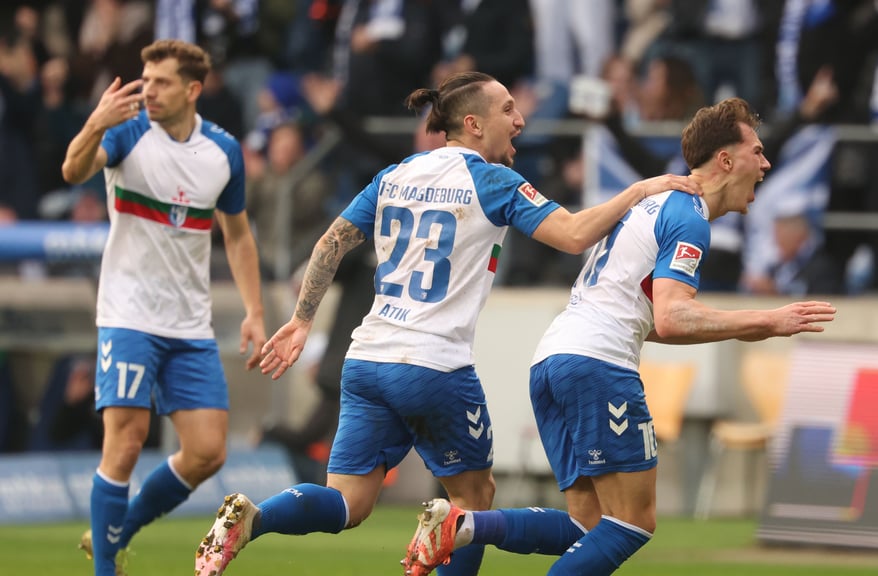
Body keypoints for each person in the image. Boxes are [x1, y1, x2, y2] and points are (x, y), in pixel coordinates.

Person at [193, 70, 700, 576]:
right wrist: (639, 190)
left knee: (347, 502)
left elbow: (330, 242)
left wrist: (303, 320)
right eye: (507, 110)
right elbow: (572, 235)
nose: (520, 120)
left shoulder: (395, 174)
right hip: (434, 364)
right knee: (472, 502)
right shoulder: (493, 180)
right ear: (474, 125)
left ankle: (255, 519)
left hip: (368, 359)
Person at [402, 97, 838, 576]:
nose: (766, 163)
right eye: (758, 151)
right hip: (598, 365)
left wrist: (744, 329)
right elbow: (674, 317)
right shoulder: (688, 216)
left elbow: (650, 321)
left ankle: (463, 527)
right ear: (726, 160)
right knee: (634, 522)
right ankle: (463, 528)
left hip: (552, 360)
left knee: (586, 527)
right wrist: (766, 321)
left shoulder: (652, 207)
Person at [60, 39, 266, 576]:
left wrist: (254, 310)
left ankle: (116, 531)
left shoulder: (222, 151)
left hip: (189, 324)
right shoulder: (128, 132)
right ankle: (107, 567)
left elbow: (238, 236)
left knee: (207, 452)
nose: (148, 90)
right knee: (125, 443)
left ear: (193, 90)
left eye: (161, 82)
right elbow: (72, 171)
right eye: (145, 80)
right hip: (128, 315)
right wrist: (94, 124)